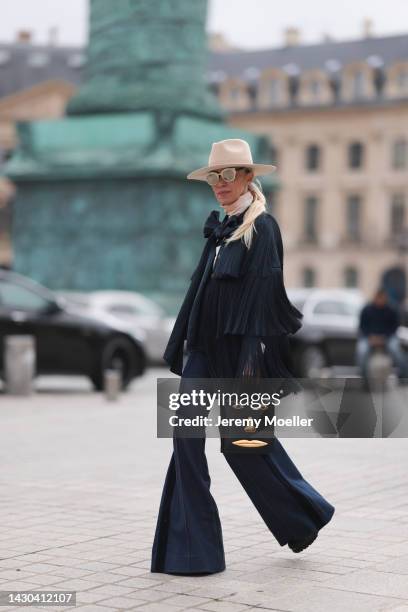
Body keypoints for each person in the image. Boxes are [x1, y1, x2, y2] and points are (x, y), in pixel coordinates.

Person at [151, 139, 335, 575]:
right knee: (186, 440)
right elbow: (200, 294)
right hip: (202, 351)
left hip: (240, 357)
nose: (221, 184)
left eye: (229, 174)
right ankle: (193, 551)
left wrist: (253, 370)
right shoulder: (217, 229)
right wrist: (185, 344)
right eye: (214, 176)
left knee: (243, 446)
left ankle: (302, 517)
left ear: (249, 177)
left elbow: (266, 302)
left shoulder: (263, 227)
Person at [356, 287, 408, 382]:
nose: (380, 300)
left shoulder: (391, 310)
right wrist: (370, 337)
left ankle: (404, 375)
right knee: (361, 351)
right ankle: (364, 378)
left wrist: (384, 337)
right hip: (369, 337)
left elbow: (394, 326)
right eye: (379, 298)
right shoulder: (367, 310)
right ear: (375, 298)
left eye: (383, 298)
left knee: (396, 350)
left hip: (387, 337)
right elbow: (362, 326)